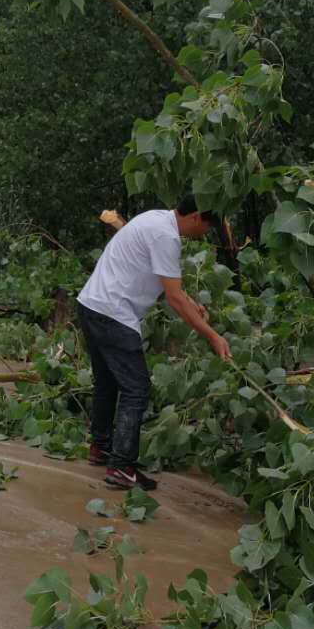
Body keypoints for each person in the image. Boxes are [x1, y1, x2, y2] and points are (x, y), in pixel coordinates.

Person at [77, 195, 231, 491]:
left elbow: (166, 285)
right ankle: (122, 467)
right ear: (197, 217)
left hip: (92, 305)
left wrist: (191, 303)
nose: (206, 234)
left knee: (107, 383)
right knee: (137, 389)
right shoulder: (166, 236)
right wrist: (212, 335)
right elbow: (173, 297)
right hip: (113, 313)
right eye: (208, 226)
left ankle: (102, 448)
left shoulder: (155, 218)